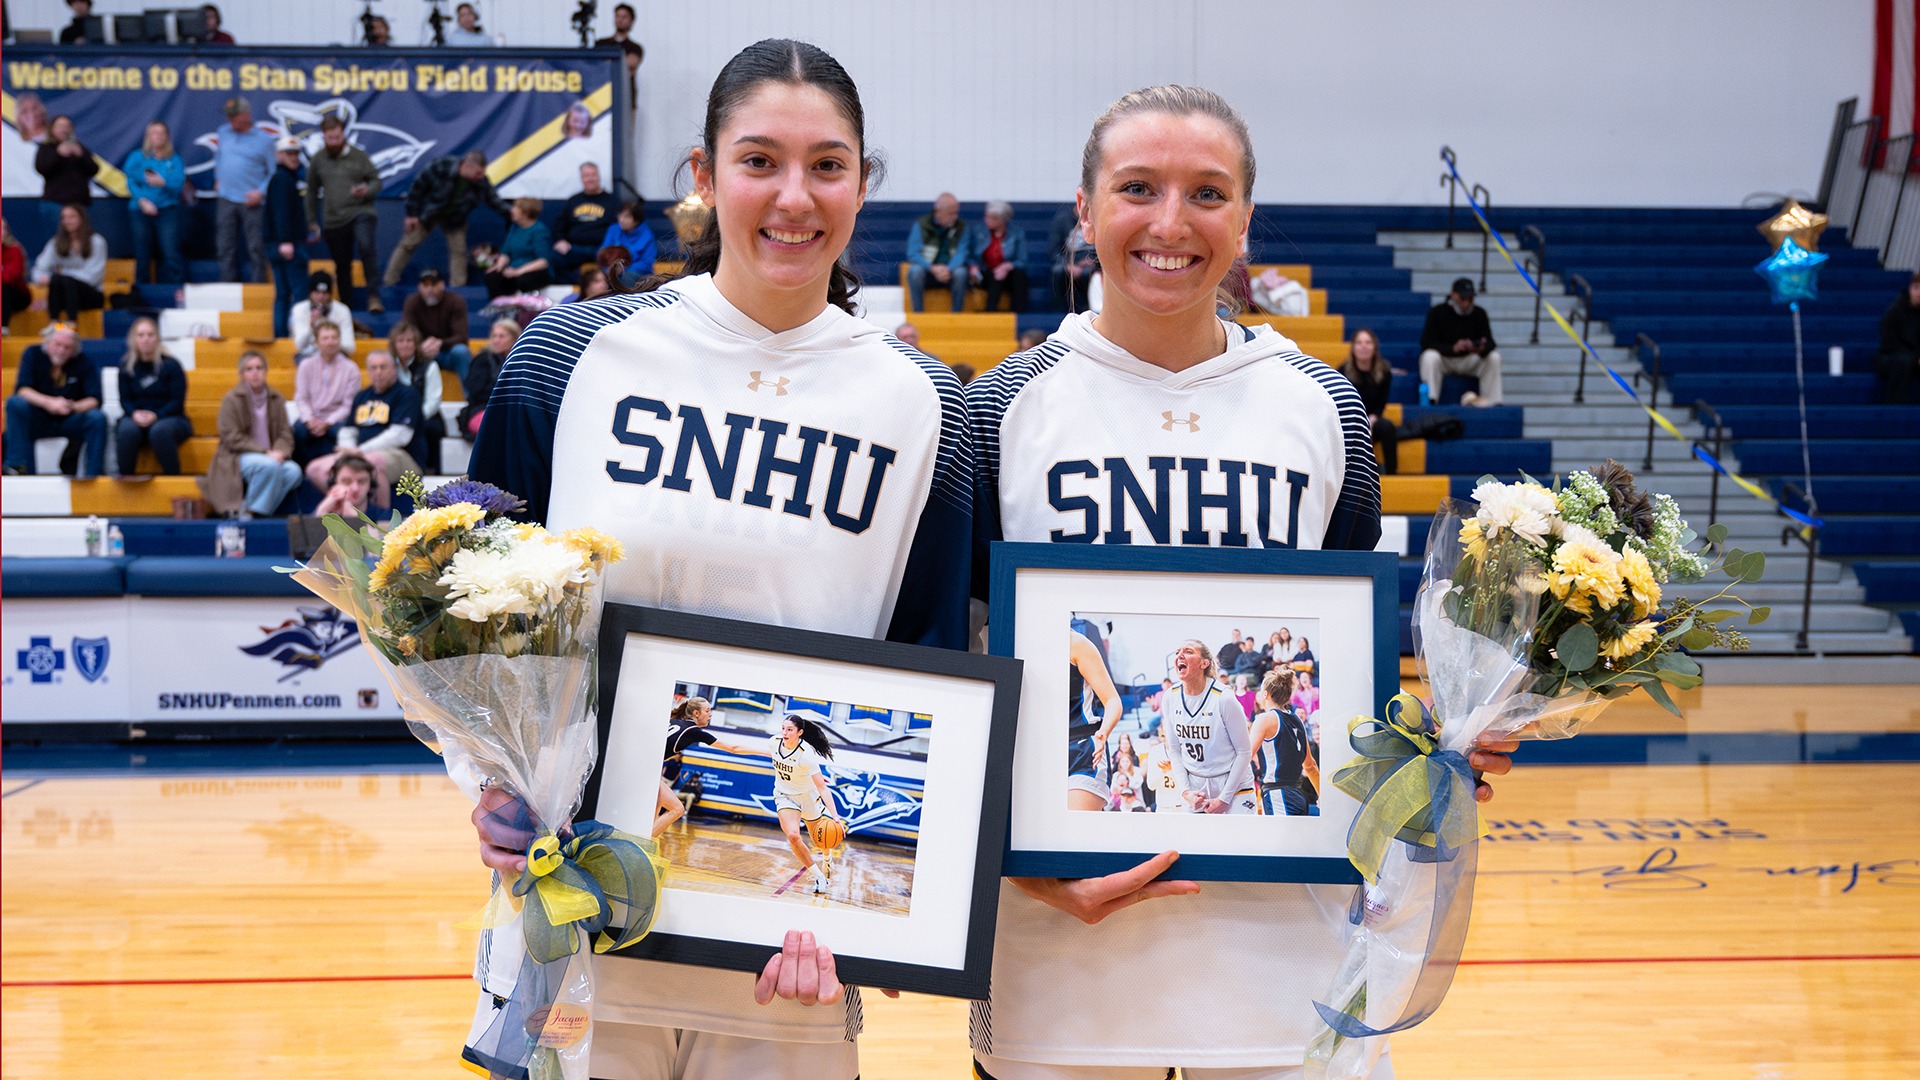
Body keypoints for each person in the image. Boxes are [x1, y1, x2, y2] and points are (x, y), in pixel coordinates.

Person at [965, 83, 1517, 1079]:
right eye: (1137, 188)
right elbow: (964, 666)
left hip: (1286, 959)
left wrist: (1435, 754)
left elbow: (1352, 672)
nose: (1171, 223)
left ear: (1247, 218)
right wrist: (1019, 852)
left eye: (1207, 193)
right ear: (1084, 210)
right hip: (1060, 966)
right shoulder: (1001, 407)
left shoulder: (1324, 411)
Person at [463, 38, 970, 1079]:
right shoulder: (568, 358)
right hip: (573, 924)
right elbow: (475, 610)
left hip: (788, 963)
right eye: (759, 161)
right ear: (702, 177)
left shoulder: (930, 407)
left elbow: (933, 659)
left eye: (828, 165)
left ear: (863, 185)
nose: (795, 196)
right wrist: (493, 784)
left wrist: (894, 898)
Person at [304, 349, 419, 509]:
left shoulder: (407, 393)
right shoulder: (362, 396)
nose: (378, 372)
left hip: (402, 456)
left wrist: (360, 451)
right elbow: (348, 430)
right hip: (360, 453)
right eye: (373, 368)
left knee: (374, 462)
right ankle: (346, 509)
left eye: (383, 367)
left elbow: (400, 435)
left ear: (394, 369)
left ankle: (379, 519)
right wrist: (349, 450)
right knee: (315, 469)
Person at [383, 150, 511, 289]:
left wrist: (511, 211)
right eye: (478, 173)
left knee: (458, 252)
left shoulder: (481, 182)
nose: (481, 176)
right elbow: (417, 188)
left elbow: (493, 200)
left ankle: (458, 288)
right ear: (467, 166)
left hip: (455, 218)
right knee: (407, 244)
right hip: (429, 212)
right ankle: (389, 282)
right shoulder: (441, 166)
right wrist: (411, 214)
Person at [201, 350, 302, 518]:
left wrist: (280, 452)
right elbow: (231, 436)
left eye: (259, 368)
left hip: (271, 455)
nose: (255, 373)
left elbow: (285, 432)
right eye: (249, 369)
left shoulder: (277, 398)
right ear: (242, 374)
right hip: (238, 456)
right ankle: (253, 514)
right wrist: (265, 453)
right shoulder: (231, 399)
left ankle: (253, 511)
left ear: (265, 371)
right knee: (268, 466)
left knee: (294, 471)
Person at [305, 115, 384, 313]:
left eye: (337, 137)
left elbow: (377, 181)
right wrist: (311, 220)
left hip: (361, 211)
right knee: (341, 263)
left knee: (366, 247)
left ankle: (374, 295)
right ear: (323, 137)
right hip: (333, 219)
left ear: (344, 135)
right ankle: (347, 307)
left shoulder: (359, 156)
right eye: (330, 138)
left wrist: (367, 189)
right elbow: (311, 191)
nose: (334, 142)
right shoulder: (318, 159)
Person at [4, 325, 105, 477]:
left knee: (97, 418)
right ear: (48, 342)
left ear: (74, 350)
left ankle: (94, 474)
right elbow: (22, 389)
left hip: (69, 417)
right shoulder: (33, 353)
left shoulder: (84, 361)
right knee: (15, 403)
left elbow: (95, 399)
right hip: (38, 417)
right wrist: (49, 403)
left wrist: (71, 406)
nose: (62, 350)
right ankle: (16, 465)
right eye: (58, 345)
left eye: (67, 347)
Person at [653, 696, 760, 838]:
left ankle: (644, 843)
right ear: (696, 713)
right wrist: (767, 752)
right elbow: (733, 748)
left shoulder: (675, 722)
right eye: (708, 710)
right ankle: (642, 844)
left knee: (655, 810)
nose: (710, 714)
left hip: (648, 768)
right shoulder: (693, 731)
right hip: (648, 770)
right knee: (677, 809)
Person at [766, 714, 846, 895]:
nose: (785, 733)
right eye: (783, 728)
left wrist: (835, 817)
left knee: (820, 839)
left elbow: (823, 788)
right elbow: (771, 753)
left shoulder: (806, 755)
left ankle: (827, 858)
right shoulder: (774, 742)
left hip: (808, 797)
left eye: (790, 730)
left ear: (799, 732)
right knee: (793, 835)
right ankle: (818, 876)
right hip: (785, 795)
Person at [113, 317, 191, 476]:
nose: (145, 339)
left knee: (159, 431)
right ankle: (126, 482)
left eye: (150, 335)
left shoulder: (171, 365)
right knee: (126, 430)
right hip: (137, 417)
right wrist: (134, 414)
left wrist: (156, 415)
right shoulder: (126, 366)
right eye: (140, 335)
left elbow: (177, 402)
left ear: (157, 338)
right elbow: (125, 400)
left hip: (170, 417)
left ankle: (173, 481)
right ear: (133, 339)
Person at [213, 97, 275, 284]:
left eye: (234, 116)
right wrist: (218, 178)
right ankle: (227, 286)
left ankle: (258, 288)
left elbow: (272, 172)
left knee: (256, 247)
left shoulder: (264, 140)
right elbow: (220, 156)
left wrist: (261, 192)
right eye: (228, 116)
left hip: (252, 200)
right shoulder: (223, 132)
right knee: (225, 246)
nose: (229, 120)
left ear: (246, 115)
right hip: (226, 198)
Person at [1067, 618, 1125, 812]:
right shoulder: (1027, 645)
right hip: (1042, 750)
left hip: (1083, 749)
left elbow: (1112, 701)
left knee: (1075, 833)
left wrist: (1104, 732)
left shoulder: (1076, 644)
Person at [1419, 276, 1502, 407]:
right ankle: (1431, 400)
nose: (1467, 303)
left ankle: (1492, 402)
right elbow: (1426, 342)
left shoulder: (1480, 314)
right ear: (1453, 296)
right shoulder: (1437, 312)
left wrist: (1479, 348)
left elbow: (1491, 343)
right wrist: (1453, 348)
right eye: (1463, 298)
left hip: (1468, 360)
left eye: (1470, 299)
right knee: (1429, 357)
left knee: (1494, 357)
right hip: (1444, 359)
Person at [123, 120, 187, 285]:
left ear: (167, 137)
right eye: (154, 133)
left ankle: (174, 292)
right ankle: (142, 292)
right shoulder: (137, 157)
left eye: (161, 133)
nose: (158, 137)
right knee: (142, 253)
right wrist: (142, 201)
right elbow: (130, 180)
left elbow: (179, 184)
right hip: (140, 209)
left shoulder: (174, 159)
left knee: (171, 251)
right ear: (148, 137)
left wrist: (163, 182)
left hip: (167, 209)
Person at [1248, 667, 1317, 817]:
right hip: (1299, 795)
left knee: (1283, 840)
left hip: (1278, 794)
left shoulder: (1264, 719)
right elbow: (1310, 766)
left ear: (1265, 694)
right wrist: (1322, 795)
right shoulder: (1297, 720)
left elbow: (1245, 756)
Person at [292, 321, 360, 463]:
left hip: (338, 418)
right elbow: (302, 398)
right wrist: (309, 419)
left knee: (342, 432)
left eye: (334, 338)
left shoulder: (351, 368)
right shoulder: (306, 365)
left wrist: (328, 422)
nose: (330, 342)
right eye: (325, 338)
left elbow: (349, 405)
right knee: (297, 431)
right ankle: (303, 472)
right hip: (312, 416)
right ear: (317, 342)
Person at [264, 134, 310, 338]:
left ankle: (281, 336)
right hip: (286, 245)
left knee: (282, 294)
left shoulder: (282, 179)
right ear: (279, 155)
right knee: (299, 294)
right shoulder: (283, 180)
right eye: (289, 153)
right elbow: (281, 212)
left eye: (296, 153)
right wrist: (285, 241)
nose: (294, 157)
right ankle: (298, 337)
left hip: (278, 244)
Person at [32, 204, 107, 323]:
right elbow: (40, 267)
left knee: (65, 281)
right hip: (66, 295)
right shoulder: (56, 242)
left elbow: (92, 277)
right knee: (57, 280)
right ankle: (55, 324)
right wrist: (41, 278)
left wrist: (65, 274)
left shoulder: (97, 241)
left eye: (72, 217)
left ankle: (71, 324)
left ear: (82, 218)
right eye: (64, 217)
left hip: (91, 295)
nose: (67, 221)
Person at [387, 320, 446, 472]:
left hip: (424, 416)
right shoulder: (387, 366)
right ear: (394, 344)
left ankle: (431, 470)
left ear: (416, 344)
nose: (405, 345)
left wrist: (415, 419)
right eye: (400, 341)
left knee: (430, 429)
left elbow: (433, 401)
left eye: (409, 341)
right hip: (395, 415)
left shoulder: (429, 366)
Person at [400, 268, 472, 382]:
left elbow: (462, 337)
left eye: (434, 284)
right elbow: (406, 333)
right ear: (419, 287)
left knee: (461, 351)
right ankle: (408, 396)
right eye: (425, 285)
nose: (429, 289)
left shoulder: (455, 301)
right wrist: (421, 347)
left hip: (447, 353)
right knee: (403, 349)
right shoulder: (411, 302)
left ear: (442, 284)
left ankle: (472, 397)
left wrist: (440, 343)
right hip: (421, 353)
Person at [1342, 327, 1397, 473]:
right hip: (1350, 420)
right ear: (1353, 348)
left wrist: (1372, 418)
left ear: (1375, 347)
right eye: (1359, 343)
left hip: (1373, 419)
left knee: (1387, 427)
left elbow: (1382, 402)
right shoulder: (1342, 371)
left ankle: (1392, 474)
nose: (1364, 346)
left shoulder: (1384, 371)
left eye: (1368, 342)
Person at [551, 164, 618, 282]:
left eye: (593, 175)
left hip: (601, 249)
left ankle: (595, 285)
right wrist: (560, 240)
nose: (590, 179)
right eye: (586, 176)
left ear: (599, 177)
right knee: (554, 257)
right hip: (574, 248)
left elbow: (618, 228)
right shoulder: (574, 200)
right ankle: (579, 284)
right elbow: (559, 226)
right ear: (581, 179)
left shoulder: (612, 201)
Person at [905, 192, 969, 312]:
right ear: (938, 212)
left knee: (961, 273)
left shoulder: (961, 227)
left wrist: (948, 269)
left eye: (956, 212)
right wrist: (932, 268)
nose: (955, 217)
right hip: (928, 272)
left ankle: (957, 314)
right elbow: (913, 254)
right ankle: (918, 314)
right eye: (951, 213)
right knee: (915, 271)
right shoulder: (922, 225)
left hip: (950, 272)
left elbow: (962, 253)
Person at [455, 317, 518, 440]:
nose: (496, 340)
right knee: (497, 426)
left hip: (512, 411)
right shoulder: (482, 360)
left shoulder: (520, 361)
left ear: (514, 338)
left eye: (501, 336)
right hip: (482, 409)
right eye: (494, 336)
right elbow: (475, 391)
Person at [34, 114, 98, 235]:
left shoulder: (79, 148)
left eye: (67, 126)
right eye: (61, 126)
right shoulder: (46, 147)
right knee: (58, 242)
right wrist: (58, 154)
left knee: (82, 240)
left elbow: (94, 170)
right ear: (52, 129)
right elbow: (41, 168)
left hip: (79, 204)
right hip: (55, 203)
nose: (64, 129)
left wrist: (81, 156)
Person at [483, 197, 553, 297]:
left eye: (516, 207)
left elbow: (543, 262)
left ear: (526, 212)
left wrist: (517, 272)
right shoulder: (514, 227)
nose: (512, 210)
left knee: (524, 280)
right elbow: (506, 252)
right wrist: (498, 266)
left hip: (534, 271)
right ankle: (500, 307)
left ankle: (524, 309)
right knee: (492, 276)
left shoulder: (539, 230)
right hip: (513, 269)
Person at [972, 200, 1029, 312]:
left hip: (1007, 274)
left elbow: (1022, 260)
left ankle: (1020, 314)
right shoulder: (979, 231)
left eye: (992, 218)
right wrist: (972, 266)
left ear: (1003, 219)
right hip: (984, 273)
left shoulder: (1016, 233)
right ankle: (990, 311)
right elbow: (971, 255)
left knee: (1018, 275)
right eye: (986, 216)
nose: (987, 220)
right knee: (996, 276)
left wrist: (1007, 266)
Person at [1876, 270, 1920, 404]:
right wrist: (1915, 358)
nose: (1919, 293)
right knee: (1902, 362)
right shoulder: (1895, 311)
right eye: (1916, 288)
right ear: (1910, 288)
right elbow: (1890, 344)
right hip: (1893, 355)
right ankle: (1894, 404)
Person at [289, 273, 355, 359]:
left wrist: (329, 342)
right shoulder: (299, 309)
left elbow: (349, 347)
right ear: (310, 293)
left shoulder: (342, 310)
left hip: (336, 355)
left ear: (331, 294)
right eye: (317, 293)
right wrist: (311, 326)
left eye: (325, 293)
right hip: (308, 355)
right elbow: (299, 345)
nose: (321, 297)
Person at [1047, 202, 1096, 312]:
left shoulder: (1098, 221)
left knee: (1093, 273)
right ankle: (1060, 310)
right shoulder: (1062, 221)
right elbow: (1053, 251)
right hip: (1068, 262)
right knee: (1058, 271)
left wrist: (1094, 260)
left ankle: (1089, 310)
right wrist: (1069, 265)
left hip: (1090, 262)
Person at [600, 200, 657, 283]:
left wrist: (624, 268)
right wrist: (610, 267)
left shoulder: (646, 234)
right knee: (597, 277)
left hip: (636, 272)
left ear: (637, 220)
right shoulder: (613, 229)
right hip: (612, 268)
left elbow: (647, 263)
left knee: (628, 277)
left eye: (627, 217)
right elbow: (604, 251)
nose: (621, 220)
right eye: (620, 215)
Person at [313, 450, 376, 520]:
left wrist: (353, 518)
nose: (355, 488)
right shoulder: (322, 511)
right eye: (347, 482)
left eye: (362, 482)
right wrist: (321, 513)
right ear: (334, 482)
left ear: (371, 483)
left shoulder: (386, 517)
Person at [2, 221, 29, 329]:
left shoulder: (14, 249)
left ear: (7, 231)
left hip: (16, 296)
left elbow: (11, 276)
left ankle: (3, 326)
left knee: (3, 286)